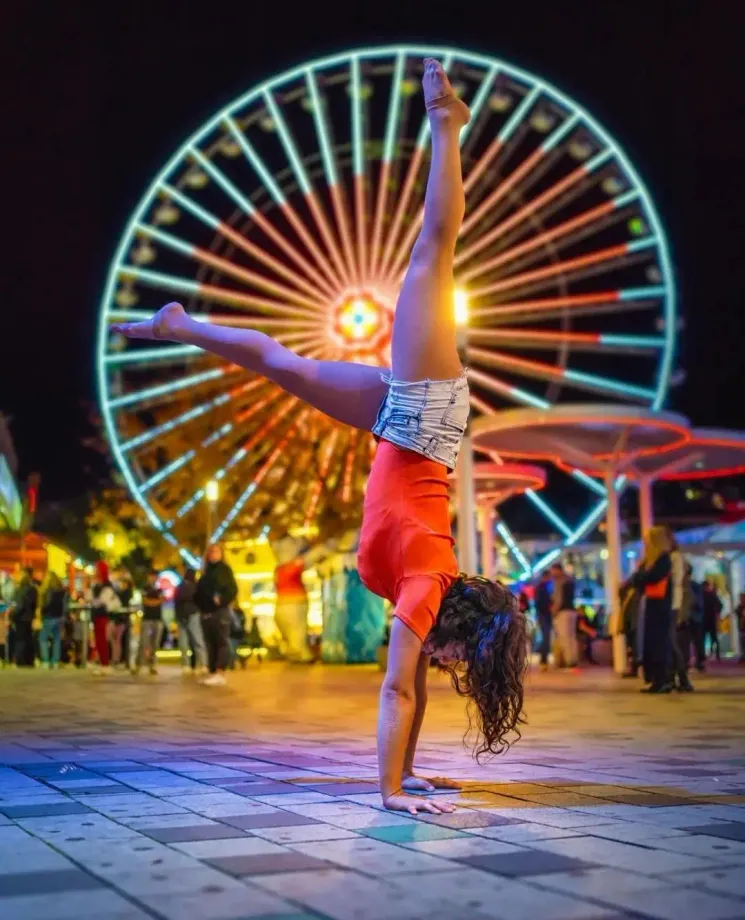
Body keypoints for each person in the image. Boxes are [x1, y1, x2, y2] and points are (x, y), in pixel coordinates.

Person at [112, 59, 529, 815]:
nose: (446, 667)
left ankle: (174, 325)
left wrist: (410, 775)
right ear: (455, 630)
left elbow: (415, 690)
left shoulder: (426, 595)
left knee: (278, 363)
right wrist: (390, 793)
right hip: (425, 417)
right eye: (459, 657)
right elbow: (398, 687)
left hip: (391, 425)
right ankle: (447, 123)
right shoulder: (427, 584)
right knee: (429, 259)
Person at [633, 526, 673, 693]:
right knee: (650, 641)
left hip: (660, 604)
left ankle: (662, 679)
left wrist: (641, 577)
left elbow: (646, 578)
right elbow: (639, 578)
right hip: (652, 603)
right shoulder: (649, 561)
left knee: (658, 642)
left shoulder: (663, 559)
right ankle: (656, 679)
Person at [195, 544, 238, 686]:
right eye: (211, 552)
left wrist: (221, 599)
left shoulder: (224, 570)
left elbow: (232, 589)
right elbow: (199, 592)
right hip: (206, 612)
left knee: (221, 641)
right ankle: (212, 672)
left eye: (216, 551)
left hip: (219, 612)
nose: (213, 554)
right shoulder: (205, 573)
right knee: (209, 643)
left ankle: (220, 672)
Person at [174, 567, 207, 675]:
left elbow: (177, 603)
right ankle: (202, 664)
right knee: (198, 641)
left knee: (184, 643)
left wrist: (178, 617)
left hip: (182, 617)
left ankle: (186, 665)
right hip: (193, 614)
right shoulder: (196, 587)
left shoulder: (180, 587)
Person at [90, 561, 121, 674]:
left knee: (102, 640)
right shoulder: (97, 584)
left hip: (102, 615)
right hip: (96, 615)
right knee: (98, 640)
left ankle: (105, 664)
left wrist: (96, 601)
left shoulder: (106, 585)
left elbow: (102, 600)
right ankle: (102, 663)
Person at [136, 570, 164, 675]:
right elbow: (145, 601)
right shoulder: (144, 588)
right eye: (151, 576)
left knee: (155, 643)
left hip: (158, 619)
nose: (153, 578)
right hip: (147, 618)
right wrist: (155, 602)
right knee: (144, 642)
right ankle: (140, 664)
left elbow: (162, 600)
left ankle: (153, 665)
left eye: (154, 576)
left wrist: (151, 602)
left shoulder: (159, 589)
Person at [550, 562, 578, 669]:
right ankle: (573, 659)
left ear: (558, 570)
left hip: (563, 612)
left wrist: (554, 611)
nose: (552, 573)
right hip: (572, 611)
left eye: (553, 570)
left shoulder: (560, 581)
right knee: (571, 636)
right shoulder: (570, 580)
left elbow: (559, 599)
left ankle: (569, 661)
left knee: (564, 636)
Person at [38, 571, 67, 668]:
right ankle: (55, 661)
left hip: (49, 617)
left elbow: (47, 605)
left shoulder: (48, 591)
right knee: (56, 639)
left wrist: (42, 611)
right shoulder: (62, 591)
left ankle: (46, 661)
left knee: (43, 638)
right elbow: (64, 605)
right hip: (59, 617)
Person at [10, 568, 38, 666]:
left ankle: (20, 660)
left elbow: (17, 605)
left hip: (20, 618)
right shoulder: (33, 589)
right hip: (29, 617)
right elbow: (34, 604)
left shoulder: (19, 589)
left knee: (20, 639)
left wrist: (12, 616)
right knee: (29, 639)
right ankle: (29, 660)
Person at [111, 571, 134, 668]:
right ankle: (120, 659)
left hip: (123, 619)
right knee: (119, 640)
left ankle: (121, 659)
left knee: (121, 640)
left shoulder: (126, 593)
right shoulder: (121, 592)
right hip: (120, 619)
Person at [534, 570, 553, 671]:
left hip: (542, 615)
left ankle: (544, 660)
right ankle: (543, 660)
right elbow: (542, 603)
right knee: (546, 637)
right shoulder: (543, 587)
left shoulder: (541, 587)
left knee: (546, 637)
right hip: (544, 615)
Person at [701, 580, 723, 664]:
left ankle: (703, 655)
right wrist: (716, 612)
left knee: (703, 638)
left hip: (704, 619)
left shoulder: (702, 595)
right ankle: (717, 654)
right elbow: (720, 605)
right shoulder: (712, 595)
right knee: (714, 638)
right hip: (711, 619)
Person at [736, 592, 745, 664]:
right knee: (742, 643)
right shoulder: (739, 606)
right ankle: (742, 656)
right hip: (741, 628)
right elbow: (736, 612)